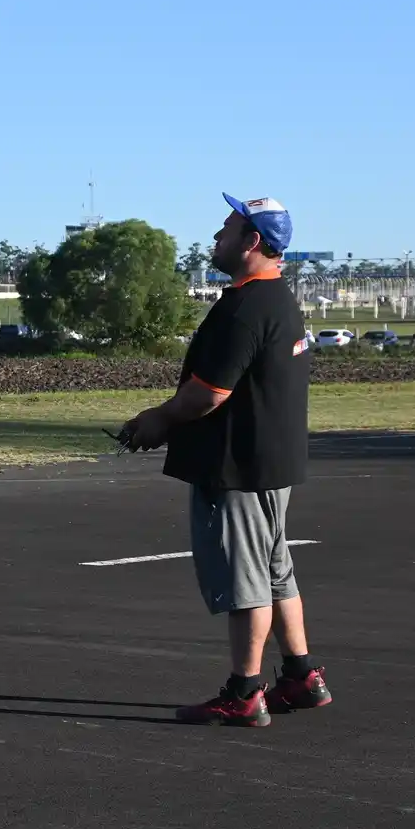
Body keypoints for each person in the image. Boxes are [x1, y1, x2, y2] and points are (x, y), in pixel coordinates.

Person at [118, 193, 330, 727]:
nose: (217, 235)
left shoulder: (243, 307)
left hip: (237, 465)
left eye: (228, 227)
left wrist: (158, 419)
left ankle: (245, 692)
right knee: (276, 572)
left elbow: (210, 392)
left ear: (251, 242)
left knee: (246, 580)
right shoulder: (277, 298)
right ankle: (302, 677)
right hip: (271, 462)